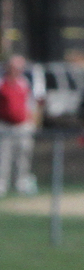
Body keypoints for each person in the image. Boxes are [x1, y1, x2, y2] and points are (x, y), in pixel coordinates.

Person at [0, 53, 38, 196]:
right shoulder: (2, 83)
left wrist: (32, 121)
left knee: (23, 155)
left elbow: (31, 104)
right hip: (4, 125)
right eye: (14, 67)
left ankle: (21, 183)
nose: (17, 70)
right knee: (4, 155)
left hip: (22, 125)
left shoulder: (24, 83)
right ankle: (2, 184)